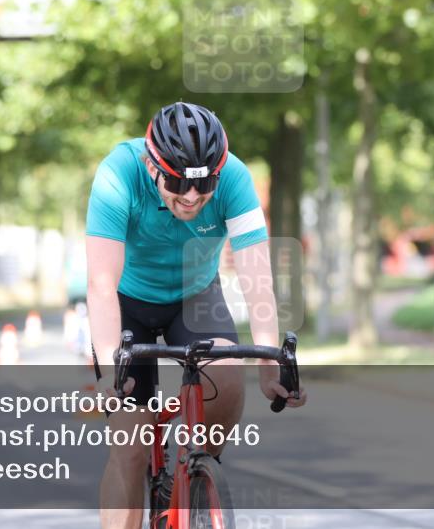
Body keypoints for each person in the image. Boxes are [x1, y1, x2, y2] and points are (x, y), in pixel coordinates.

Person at [86, 102, 307, 528]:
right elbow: (100, 284)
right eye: (176, 182)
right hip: (126, 303)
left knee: (226, 374)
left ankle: (198, 473)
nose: (191, 196)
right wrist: (106, 372)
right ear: (153, 168)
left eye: (204, 183)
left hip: (194, 294)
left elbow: (257, 277)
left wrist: (267, 364)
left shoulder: (236, 179)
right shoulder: (118, 174)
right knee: (130, 447)